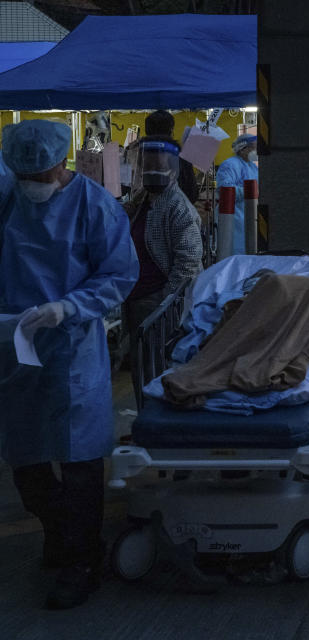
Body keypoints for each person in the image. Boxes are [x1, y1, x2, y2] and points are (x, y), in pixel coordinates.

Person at [0, 120, 138, 609]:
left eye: (42, 173)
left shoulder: (94, 206)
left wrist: (67, 308)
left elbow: (119, 274)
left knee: (78, 460)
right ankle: (59, 531)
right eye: (24, 174)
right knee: (27, 458)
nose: (34, 183)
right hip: (15, 347)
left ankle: (82, 559)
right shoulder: (8, 197)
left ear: (64, 163)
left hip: (70, 344)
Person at [123, 135, 204, 342]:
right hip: (136, 297)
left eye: (157, 165)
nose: (150, 171)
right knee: (140, 364)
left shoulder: (179, 209)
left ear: (173, 168)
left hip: (157, 302)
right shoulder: (144, 199)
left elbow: (189, 263)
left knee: (156, 364)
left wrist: (164, 303)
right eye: (146, 164)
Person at [144, 109, 199, 203]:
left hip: (145, 214)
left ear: (147, 131)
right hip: (176, 212)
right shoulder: (180, 158)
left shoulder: (138, 155)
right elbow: (192, 194)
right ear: (171, 131)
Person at [216, 133, 258, 255]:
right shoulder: (230, 165)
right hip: (234, 218)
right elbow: (225, 189)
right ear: (243, 148)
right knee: (234, 252)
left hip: (249, 216)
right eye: (253, 147)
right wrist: (250, 192)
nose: (256, 151)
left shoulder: (252, 167)